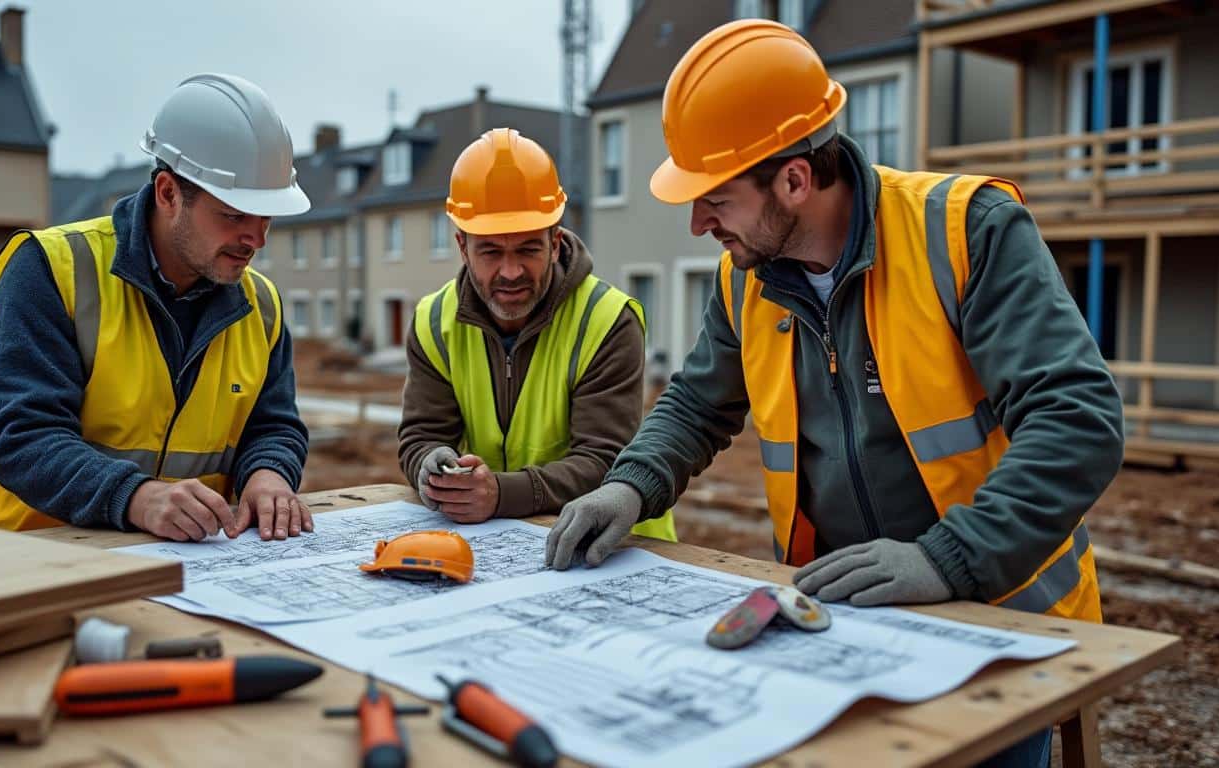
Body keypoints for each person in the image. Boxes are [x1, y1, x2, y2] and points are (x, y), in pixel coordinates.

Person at [544, 20, 1124, 764]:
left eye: (715, 197)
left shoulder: (964, 231)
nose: (697, 223)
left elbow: (1076, 420)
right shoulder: (745, 277)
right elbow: (696, 405)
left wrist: (951, 559)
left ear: (794, 178)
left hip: (1000, 620)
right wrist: (629, 485)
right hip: (843, 618)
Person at [0, 73, 313, 542]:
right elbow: (23, 437)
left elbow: (273, 424)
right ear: (168, 193)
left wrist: (268, 473)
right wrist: (137, 497)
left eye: (266, 216)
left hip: (182, 566)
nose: (257, 238)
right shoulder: (52, 269)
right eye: (234, 215)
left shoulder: (262, 305)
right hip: (32, 556)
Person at [397, 127, 675, 541]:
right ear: (462, 246)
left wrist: (502, 494)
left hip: (617, 550)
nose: (510, 272)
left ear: (555, 240)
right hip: (498, 545)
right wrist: (430, 465)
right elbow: (421, 436)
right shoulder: (433, 322)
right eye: (490, 251)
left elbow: (605, 460)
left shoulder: (607, 320)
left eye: (528, 249)